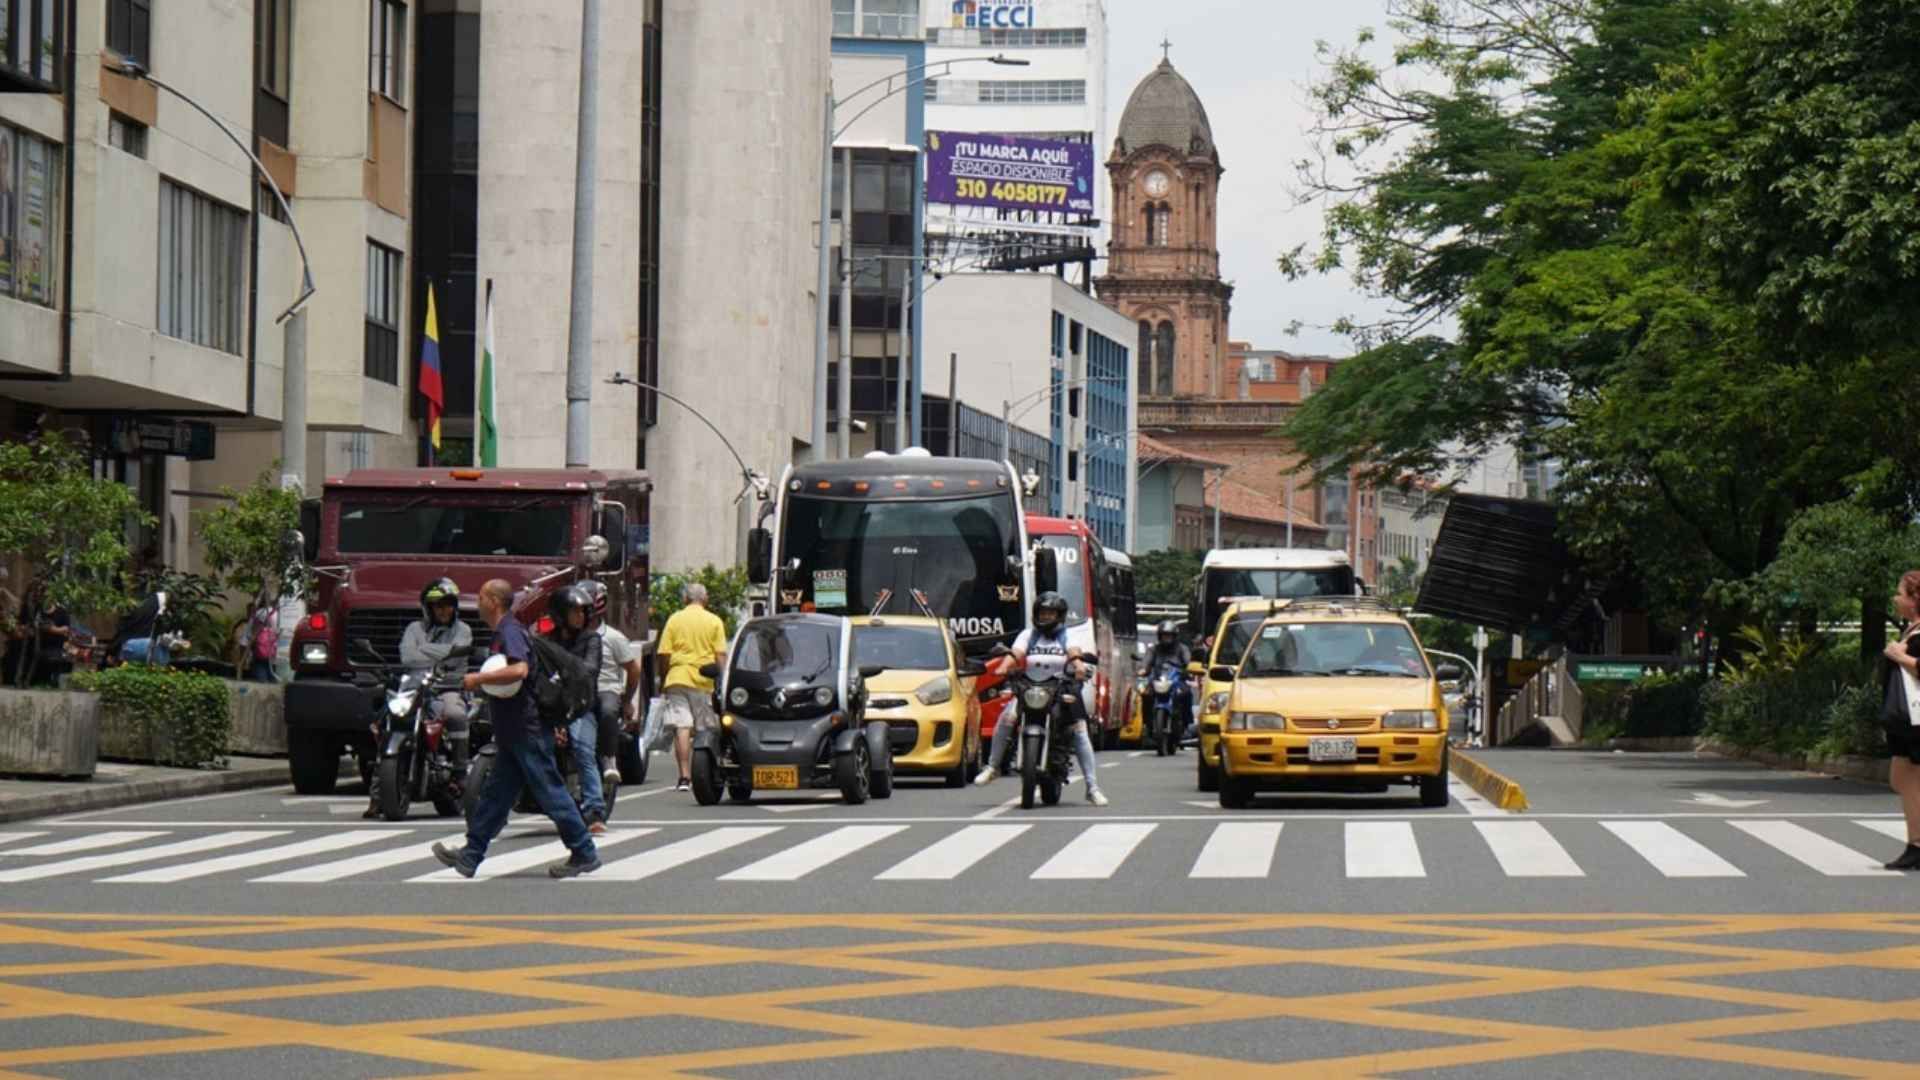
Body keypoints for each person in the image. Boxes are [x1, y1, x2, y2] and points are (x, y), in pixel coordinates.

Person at [433, 579, 599, 879]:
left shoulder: (510, 631)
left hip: (527, 728)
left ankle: (584, 851)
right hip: (513, 729)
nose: (478, 602)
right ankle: (470, 856)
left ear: (493, 601)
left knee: (550, 791)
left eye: (482, 596)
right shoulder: (506, 630)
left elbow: (519, 670)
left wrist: (478, 680)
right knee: (495, 796)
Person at [974, 592, 1109, 806]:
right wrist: (1003, 667)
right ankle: (993, 766)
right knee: (1007, 716)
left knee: (1079, 730)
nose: (1046, 617)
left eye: (1050, 613)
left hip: (1060, 686)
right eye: (1043, 613)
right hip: (1030, 686)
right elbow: (1015, 654)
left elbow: (1073, 653)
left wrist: (1080, 667)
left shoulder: (1067, 635)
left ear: (1060, 615)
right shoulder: (1028, 635)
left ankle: (1092, 787)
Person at [364, 578, 474, 819]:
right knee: (385, 723)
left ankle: (459, 773)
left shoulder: (463, 630)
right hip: (414, 686)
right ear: (428, 607)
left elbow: (453, 659)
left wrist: (424, 649)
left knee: (455, 714)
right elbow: (408, 657)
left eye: (448, 605)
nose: (444, 610)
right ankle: (377, 795)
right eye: (438, 605)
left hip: (447, 686)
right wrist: (437, 653)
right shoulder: (414, 629)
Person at [544, 584, 608, 832]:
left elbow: (590, 669)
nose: (581, 616)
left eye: (583, 612)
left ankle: (594, 810)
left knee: (583, 749)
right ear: (560, 614)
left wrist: (564, 671)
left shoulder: (591, 640)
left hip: (580, 706)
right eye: (575, 612)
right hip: (551, 705)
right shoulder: (545, 641)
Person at [656, 581, 728, 793]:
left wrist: (663, 678)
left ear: (685, 599)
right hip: (703, 680)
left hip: (677, 678)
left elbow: (664, 654)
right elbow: (720, 655)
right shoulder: (714, 621)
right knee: (706, 727)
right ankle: (706, 772)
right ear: (705, 599)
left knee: (682, 726)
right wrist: (722, 681)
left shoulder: (675, 619)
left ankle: (684, 777)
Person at [579, 580, 643, 788]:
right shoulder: (568, 636)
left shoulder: (614, 638)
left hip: (606, 689)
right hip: (576, 691)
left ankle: (609, 758)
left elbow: (633, 670)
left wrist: (626, 700)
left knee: (607, 711)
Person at [1879, 569, 1920, 870]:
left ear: (1914, 599)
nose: (1896, 597)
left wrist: (1898, 655)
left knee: (1907, 780)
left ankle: (1916, 845)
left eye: (1900, 593)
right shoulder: (1912, 629)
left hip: (1916, 720)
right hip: (1909, 719)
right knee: (1902, 778)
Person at [1143, 619, 1194, 747]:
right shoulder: (1153, 649)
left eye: (1169, 635)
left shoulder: (1182, 649)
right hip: (1158, 678)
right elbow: (1147, 662)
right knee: (1146, 694)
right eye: (1164, 635)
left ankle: (1187, 723)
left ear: (1174, 636)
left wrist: (1189, 670)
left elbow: (1189, 662)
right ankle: (1148, 725)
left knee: (1186, 693)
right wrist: (1143, 669)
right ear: (1160, 636)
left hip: (1176, 679)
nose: (1167, 638)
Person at [245, 590, 280, 683]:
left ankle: (262, 685)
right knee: (271, 669)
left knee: (260, 667)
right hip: (273, 647)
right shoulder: (277, 614)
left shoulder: (260, 613)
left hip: (260, 647)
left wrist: (250, 643)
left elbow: (253, 631)